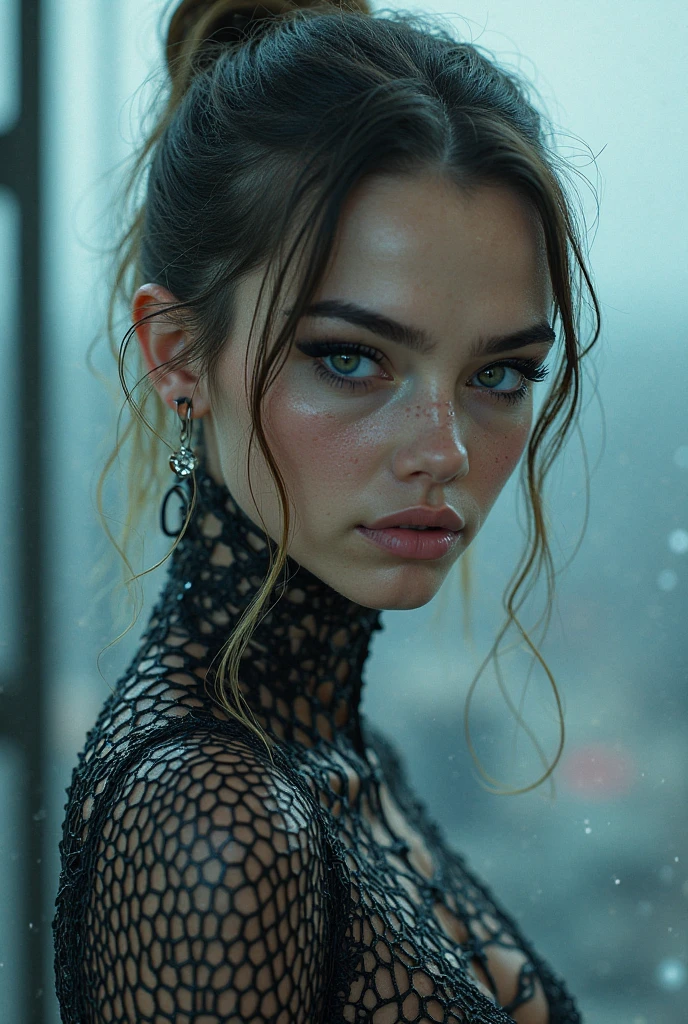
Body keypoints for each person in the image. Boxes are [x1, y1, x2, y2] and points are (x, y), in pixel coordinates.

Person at [52, 0, 600, 1020]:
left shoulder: (335, 757)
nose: (443, 450)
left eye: (500, 374)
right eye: (350, 358)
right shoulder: (215, 815)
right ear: (177, 355)